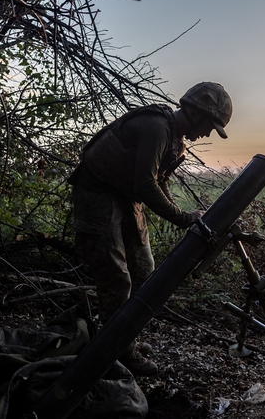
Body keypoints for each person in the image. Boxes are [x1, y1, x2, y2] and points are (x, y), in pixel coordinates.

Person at [68, 82, 232, 376]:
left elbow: (160, 180)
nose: (208, 133)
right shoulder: (157, 128)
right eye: (209, 125)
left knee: (145, 272)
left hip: (125, 196)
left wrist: (185, 214)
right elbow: (145, 185)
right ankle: (116, 352)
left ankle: (123, 337)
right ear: (195, 112)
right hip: (97, 193)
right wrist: (183, 217)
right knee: (116, 278)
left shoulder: (174, 139)